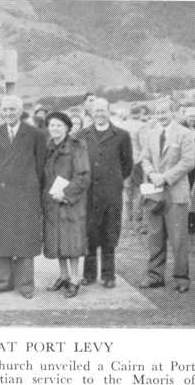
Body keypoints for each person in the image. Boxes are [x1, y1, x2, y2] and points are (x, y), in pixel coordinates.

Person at [0, 95, 47, 299]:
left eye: (12, 110)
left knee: (25, 238)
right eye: (4, 110)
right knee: (1, 238)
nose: (8, 113)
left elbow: (40, 167)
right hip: (1, 195)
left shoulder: (35, 134)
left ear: (20, 111)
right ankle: (3, 282)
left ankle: (26, 284)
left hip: (25, 195)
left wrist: (31, 188)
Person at [139, 99, 195, 293]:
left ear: (173, 113)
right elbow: (144, 158)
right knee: (155, 236)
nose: (161, 116)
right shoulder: (151, 134)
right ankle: (155, 276)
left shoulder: (185, 134)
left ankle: (181, 278)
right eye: (158, 113)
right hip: (154, 193)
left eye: (164, 112)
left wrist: (166, 177)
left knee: (178, 238)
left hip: (176, 193)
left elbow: (189, 161)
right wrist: (152, 174)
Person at [79, 98, 133, 288]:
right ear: (91, 113)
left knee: (110, 233)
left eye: (103, 110)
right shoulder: (82, 135)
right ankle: (89, 274)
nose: (99, 114)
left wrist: (114, 181)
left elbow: (127, 165)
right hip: (90, 193)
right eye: (96, 111)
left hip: (111, 194)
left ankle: (109, 276)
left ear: (109, 112)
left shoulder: (121, 135)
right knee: (90, 233)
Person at [43, 112, 90, 298]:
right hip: (53, 201)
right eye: (52, 125)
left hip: (71, 202)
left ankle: (75, 279)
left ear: (67, 128)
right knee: (57, 241)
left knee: (72, 241)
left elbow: (83, 175)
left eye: (59, 125)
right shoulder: (48, 147)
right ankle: (63, 275)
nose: (54, 128)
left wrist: (66, 193)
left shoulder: (77, 146)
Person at [181, 107, 195, 234]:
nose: (193, 119)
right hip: (187, 165)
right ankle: (188, 221)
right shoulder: (182, 130)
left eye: (194, 117)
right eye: (191, 117)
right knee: (187, 191)